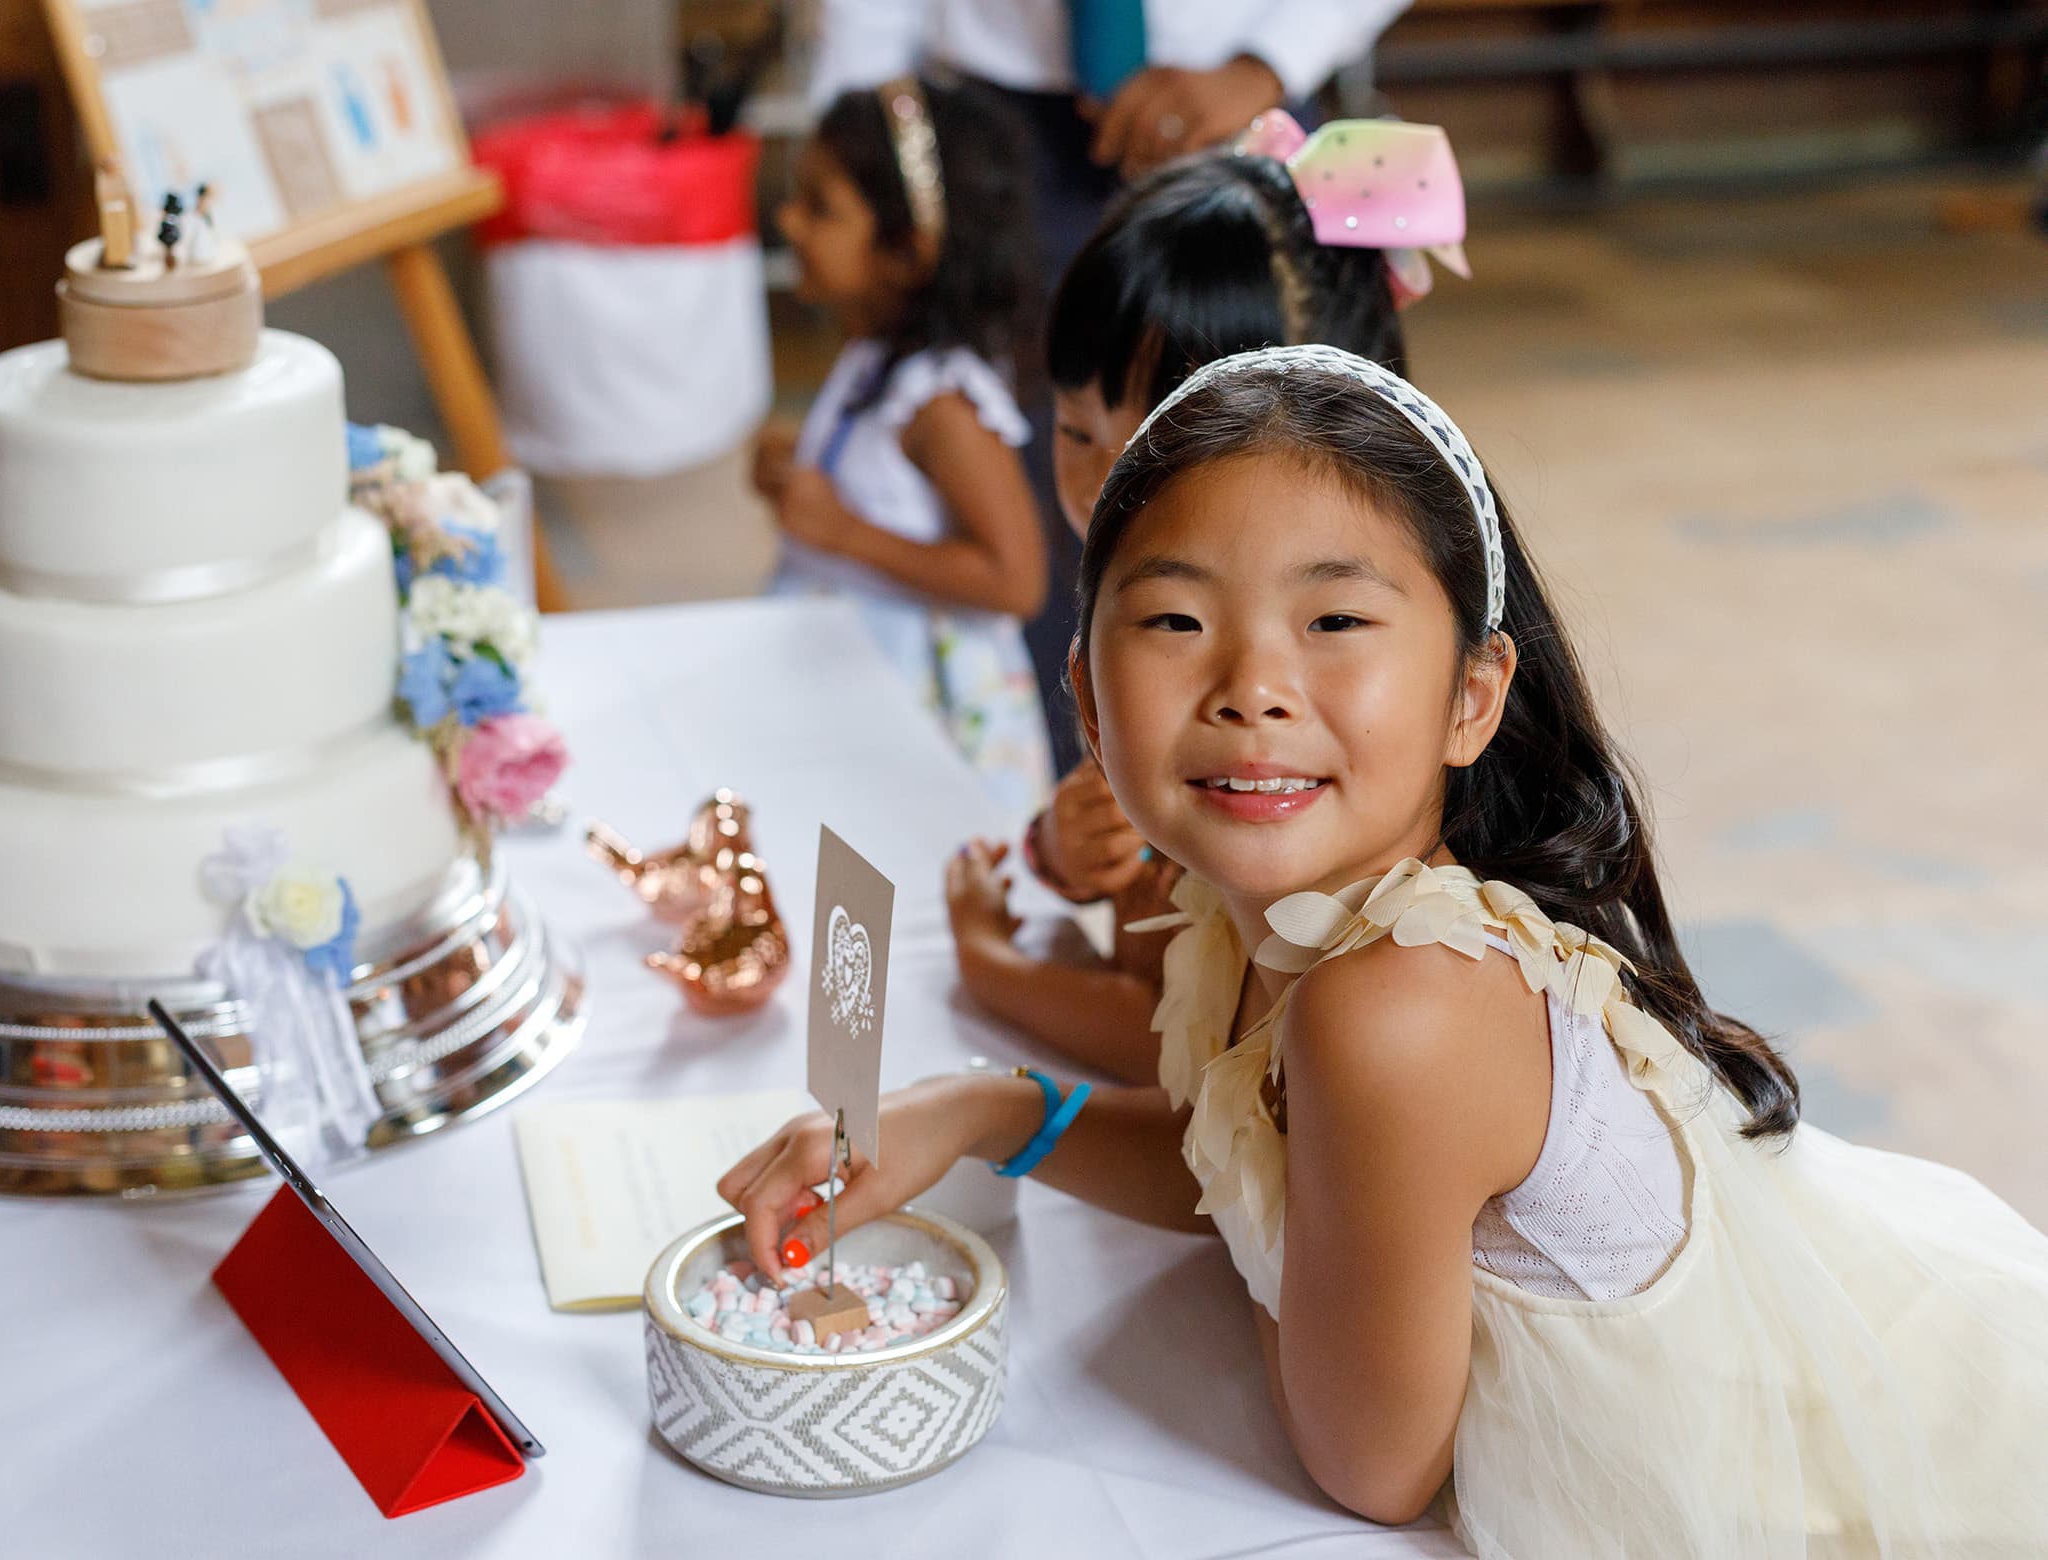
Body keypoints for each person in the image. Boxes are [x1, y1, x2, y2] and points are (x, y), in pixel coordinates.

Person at [725, 346, 2048, 1551]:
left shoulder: (1399, 1004)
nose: (1253, 684)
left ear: (1472, 698)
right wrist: (981, 1109)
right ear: (1082, 691)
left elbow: (1370, 1468)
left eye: (1337, 623)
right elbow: (1257, 1172)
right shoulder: (1267, 916)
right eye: (1178, 622)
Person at [946, 121, 1444, 1085]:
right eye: (1076, 432)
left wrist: (993, 968)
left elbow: (1201, 1057)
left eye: (1147, 450)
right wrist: (1073, 848)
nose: (1098, 490)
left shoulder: (1300, 722)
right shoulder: (1164, 628)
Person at [809, 0, 1415, 773]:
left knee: (1283, 500)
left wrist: (1269, 61)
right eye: (1080, 440)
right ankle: (1089, 768)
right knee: (1064, 531)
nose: (1108, 482)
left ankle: (1279, 766)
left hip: (1245, 108)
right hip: (1007, 120)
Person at [759, 75, 1055, 820]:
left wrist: (845, 533)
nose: (788, 221)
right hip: (850, 684)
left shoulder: (942, 404)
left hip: (924, 707)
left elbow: (1016, 580)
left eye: (819, 207)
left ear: (904, 251)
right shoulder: (869, 355)